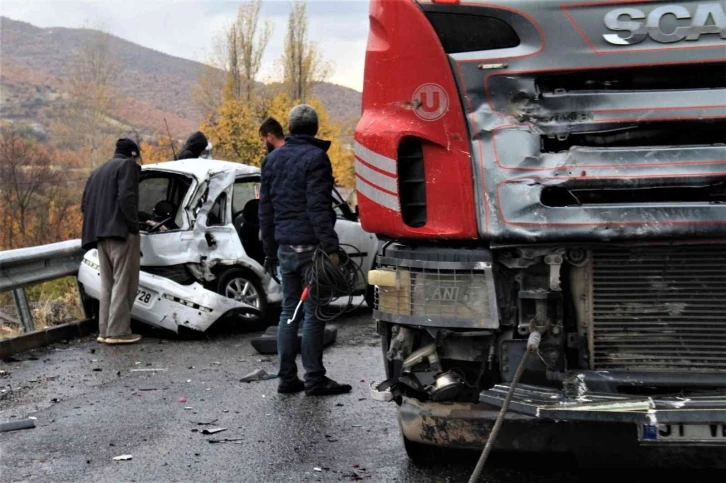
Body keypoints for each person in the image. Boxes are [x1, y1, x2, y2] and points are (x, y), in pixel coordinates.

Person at [259, 105, 351, 396]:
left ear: (289, 128)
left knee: (289, 311)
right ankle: (314, 379)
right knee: (313, 313)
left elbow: (266, 209)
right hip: (312, 250)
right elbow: (318, 208)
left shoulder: (272, 160)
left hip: (285, 247)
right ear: (314, 129)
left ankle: (286, 379)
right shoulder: (316, 158)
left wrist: (269, 250)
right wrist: (331, 248)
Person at [81, 138, 143, 345]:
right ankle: (119, 332)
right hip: (121, 233)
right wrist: (134, 225)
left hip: (100, 236)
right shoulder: (127, 166)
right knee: (124, 284)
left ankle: (104, 331)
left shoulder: (97, 172)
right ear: (132, 154)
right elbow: (127, 198)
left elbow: (84, 205)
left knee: (107, 285)